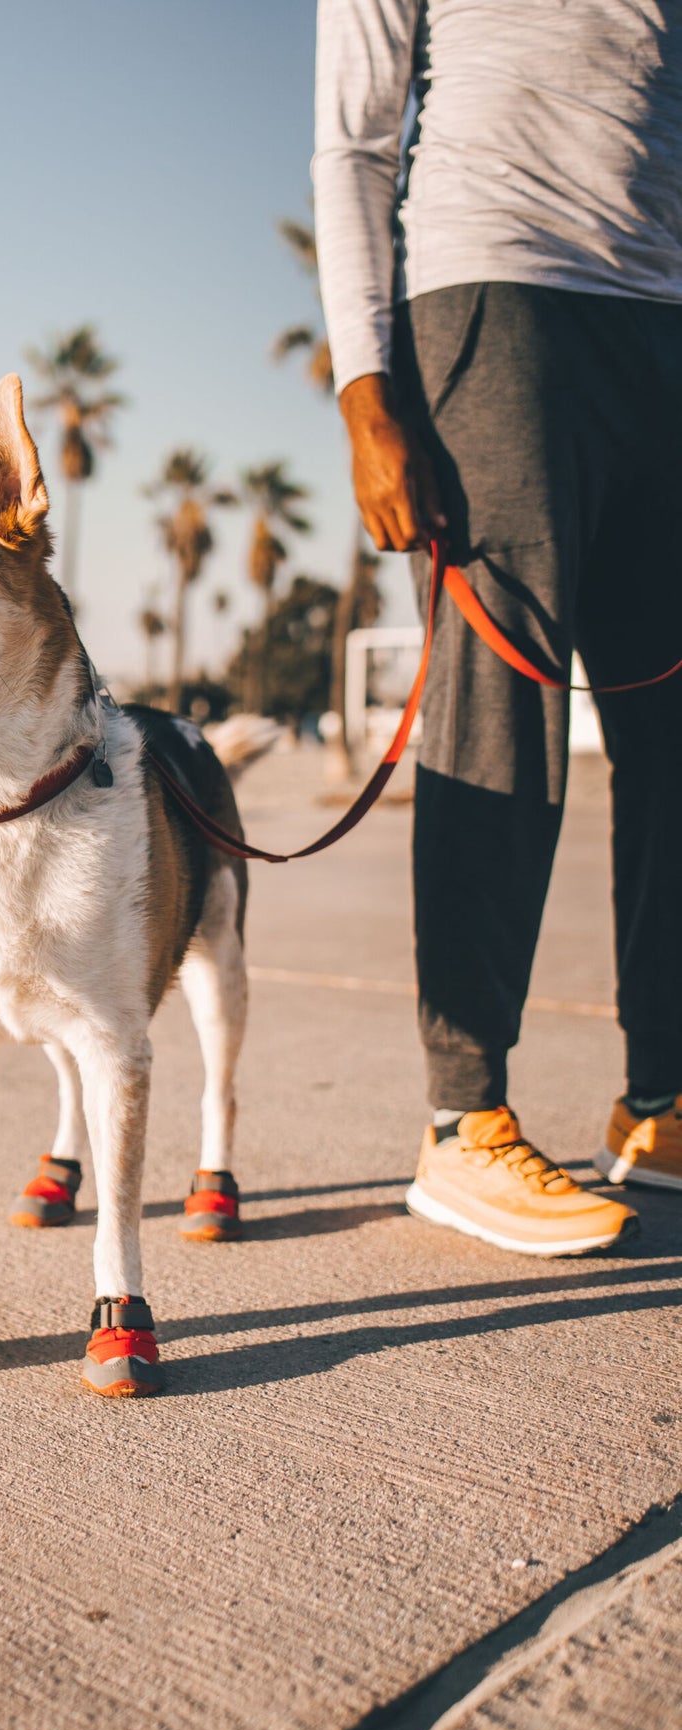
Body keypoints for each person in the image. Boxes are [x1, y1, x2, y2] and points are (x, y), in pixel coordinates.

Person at [313, 0, 682, 1252]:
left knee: (672, 727)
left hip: (663, 317)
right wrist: (368, 399)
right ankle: (462, 1117)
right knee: (500, 712)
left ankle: (660, 1103)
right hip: (492, 289)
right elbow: (353, 140)